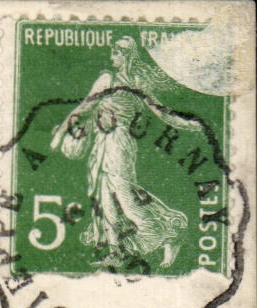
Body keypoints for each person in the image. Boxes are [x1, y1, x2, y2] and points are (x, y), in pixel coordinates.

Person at [49, 36, 191, 270]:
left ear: (126, 56)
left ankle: (169, 232)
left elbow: (161, 111)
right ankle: (116, 251)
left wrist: (188, 124)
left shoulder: (136, 81)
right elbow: (85, 107)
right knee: (105, 198)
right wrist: (61, 133)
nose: (111, 57)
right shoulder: (107, 78)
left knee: (125, 197)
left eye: (115, 53)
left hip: (120, 143)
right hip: (102, 143)